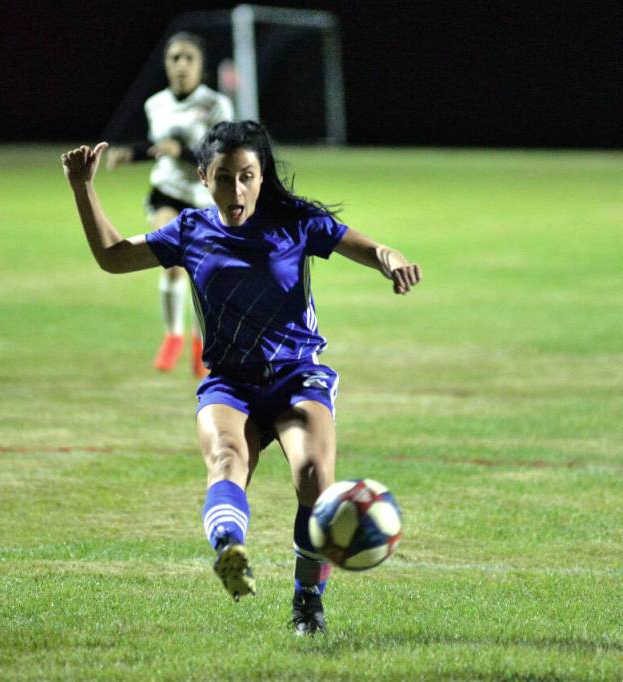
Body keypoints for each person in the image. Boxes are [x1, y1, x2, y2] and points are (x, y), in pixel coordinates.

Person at [61, 121, 421, 635]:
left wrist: (391, 260)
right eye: (225, 177)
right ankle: (229, 548)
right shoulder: (190, 230)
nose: (237, 190)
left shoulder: (296, 222)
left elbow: (364, 246)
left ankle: (307, 602)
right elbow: (113, 257)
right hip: (230, 382)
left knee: (315, 479)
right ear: (203, 177)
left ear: (262, 175)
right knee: (226, 459)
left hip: (297, 375)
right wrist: (83, 187)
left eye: (248, 176)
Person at [105, 32, 234, 377]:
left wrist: (184, 152)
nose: (181, 65)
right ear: (166, 64)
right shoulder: (155, 104)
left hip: (205, 200)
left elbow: (220, 158)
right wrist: (129, 154)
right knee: (172, 260)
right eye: (174, 58)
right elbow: (158, 146)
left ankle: (200, 342)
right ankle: (172, 336)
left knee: (203, 273)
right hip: (167, 192)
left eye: (188, 58)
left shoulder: (216, 105)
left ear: (201, 65)